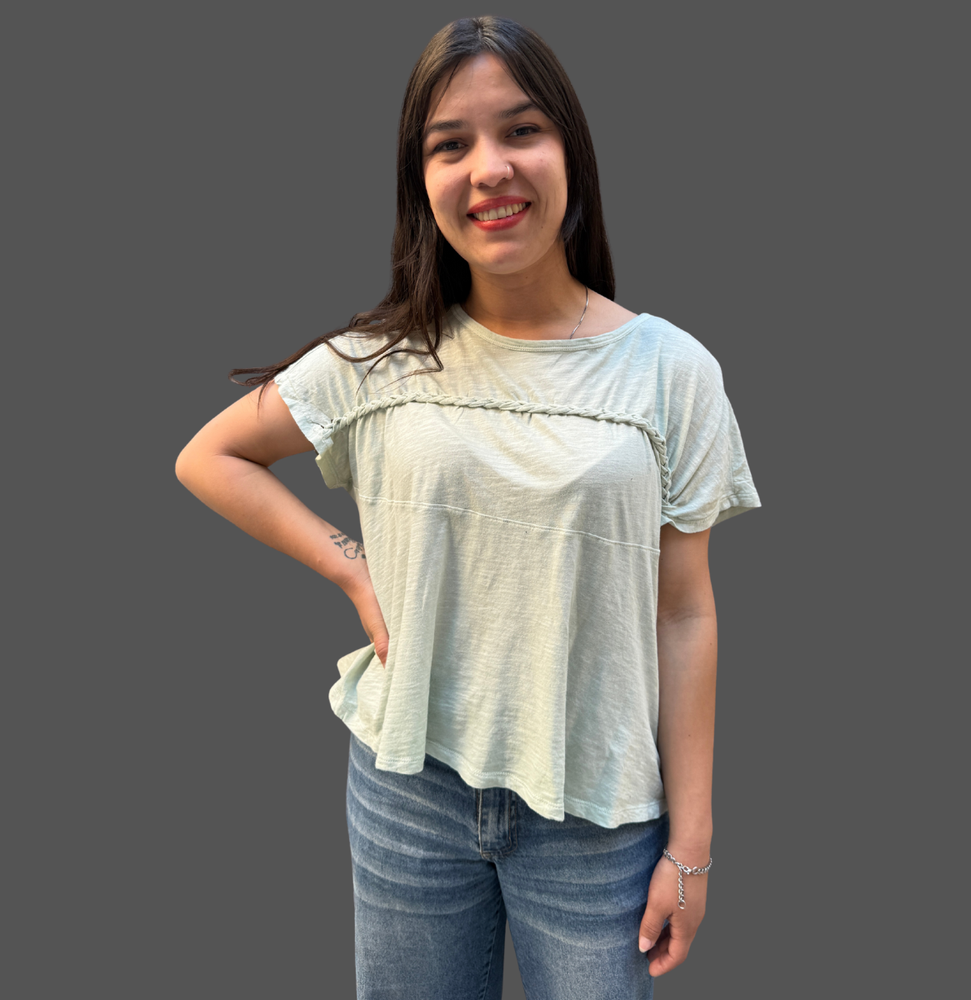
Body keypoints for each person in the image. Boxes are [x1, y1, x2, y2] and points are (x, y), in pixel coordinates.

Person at [176, 15, 760, 999]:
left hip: (599, 813)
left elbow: (684, 611)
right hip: (407, 787)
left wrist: (691, 846)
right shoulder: (383, 359)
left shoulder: (671, 371)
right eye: (450, 144)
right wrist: (350, 567)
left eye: (521, 130)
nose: (489, 167)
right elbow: (210, 456)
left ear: (571, 152)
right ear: (423, 184)